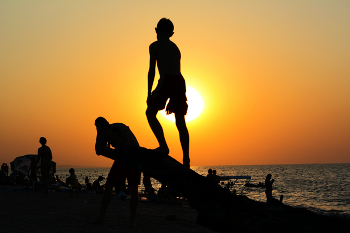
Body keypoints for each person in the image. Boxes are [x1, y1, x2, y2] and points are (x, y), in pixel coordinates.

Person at [146, 18, 190, 167]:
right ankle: (186, 159)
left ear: (156, 30)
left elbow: (152, 70)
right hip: (179, 80)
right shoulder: (175, 47)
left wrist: (148, 94)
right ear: (172, 33)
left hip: (167, 79)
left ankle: (163, 146)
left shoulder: (154, 46)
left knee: (150, 113)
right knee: (180, 121)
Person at [92, 117, 147, 226]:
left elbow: (127, 145)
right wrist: (99, 135)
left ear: (107, 123)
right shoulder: (103, 133)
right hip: (120, 158)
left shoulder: (120, 127)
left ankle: (132, 220)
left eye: (103, 124)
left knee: (133, 189)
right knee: (108, 186)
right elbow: (98, 151)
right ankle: (100, 217)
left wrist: (110, 134)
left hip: (134, 158)